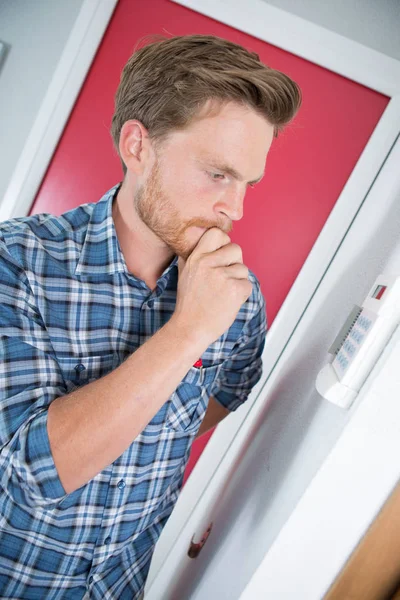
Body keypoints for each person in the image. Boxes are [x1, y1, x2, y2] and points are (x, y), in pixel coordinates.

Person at [0, 34, 301, 599]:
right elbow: (32, 472)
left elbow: (226, 394)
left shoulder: (240, 298)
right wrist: (188, 331)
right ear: (138, 146)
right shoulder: (15, 262)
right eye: (218, 173)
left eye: (247, 183)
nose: (234, 209)